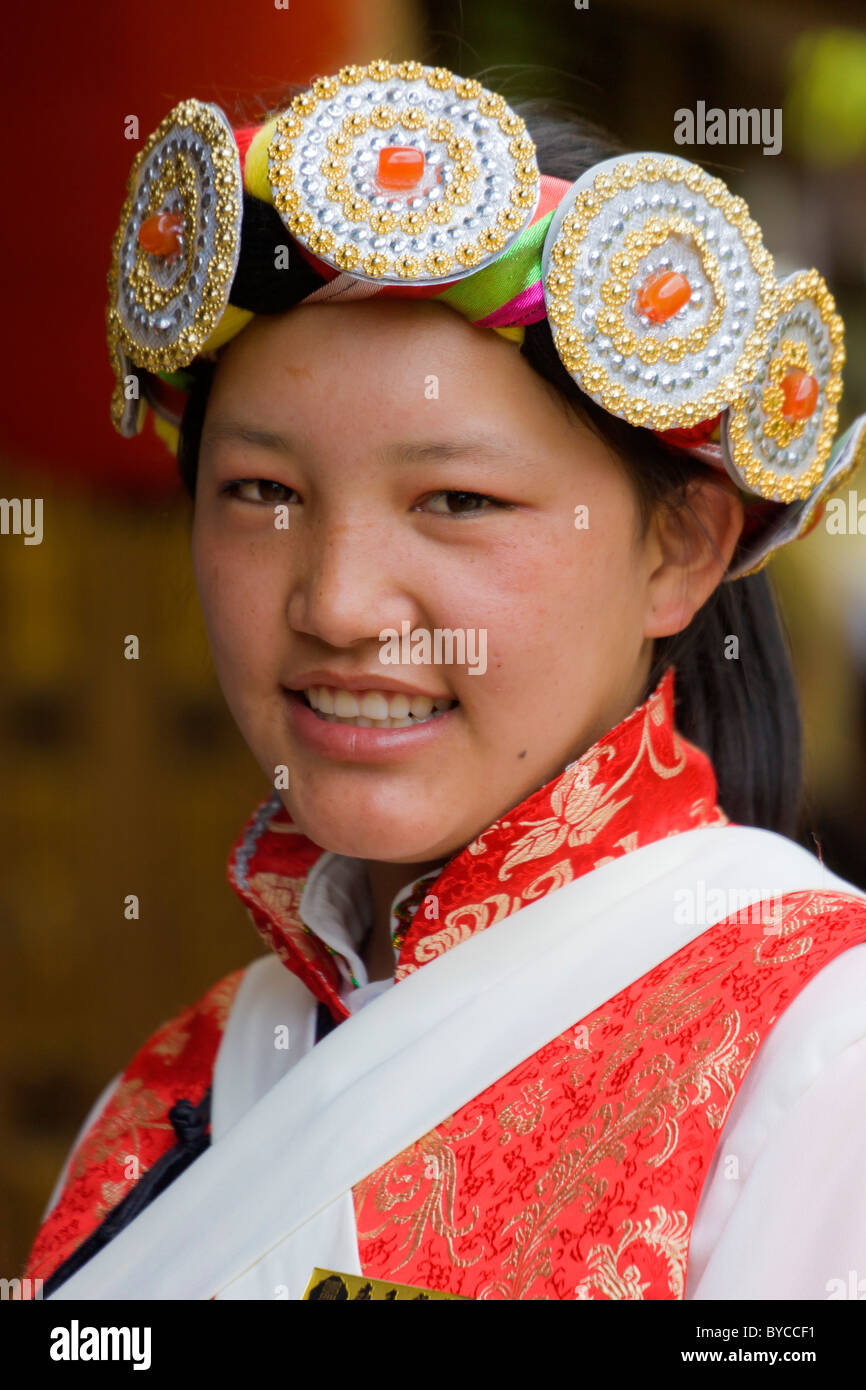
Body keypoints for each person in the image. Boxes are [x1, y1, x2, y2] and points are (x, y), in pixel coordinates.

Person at [23, 60, 866, 1301]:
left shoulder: (814, 1050)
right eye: (263, 492)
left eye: (457, 501)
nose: (338, 602)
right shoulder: (185, 1083)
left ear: (678, 550)